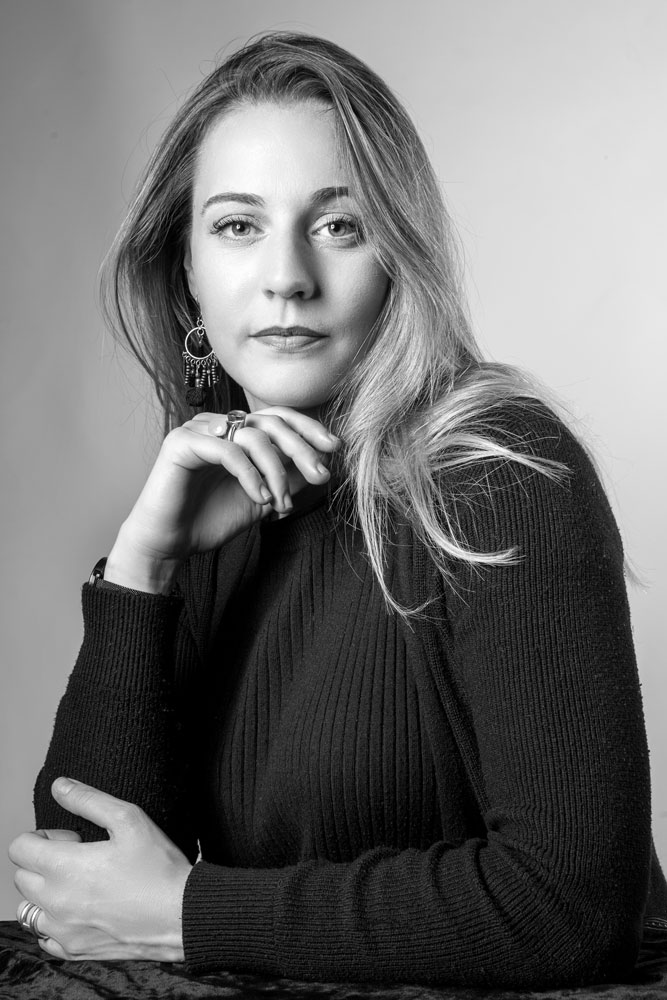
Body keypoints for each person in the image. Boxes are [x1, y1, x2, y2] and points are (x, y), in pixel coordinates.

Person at [8, 31, 667, 989]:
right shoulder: (217, 501)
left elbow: (572, 905)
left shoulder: (499, 471)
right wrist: (143, 567)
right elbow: (81, 888)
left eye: (338, 225)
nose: (287, 276)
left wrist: (194, 915)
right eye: (238, 226)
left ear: (397, 253)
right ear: (186, 267)